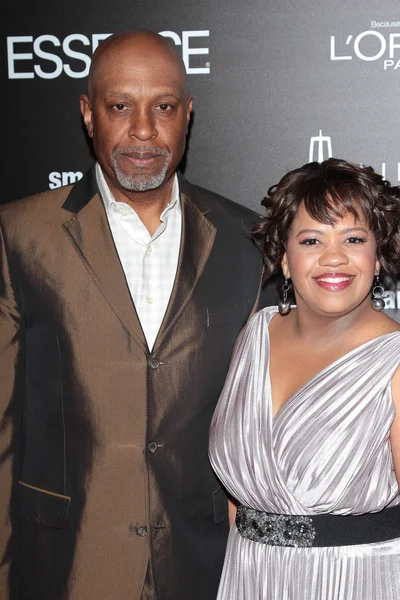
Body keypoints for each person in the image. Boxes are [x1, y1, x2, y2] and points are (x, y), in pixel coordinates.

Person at [0, 30, 277, 600]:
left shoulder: (248, 242)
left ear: (188, 114)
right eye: (120, 106)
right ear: (88, 113)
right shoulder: (21, 235)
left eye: (164, 107)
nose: (144, 129)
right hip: (66, 564)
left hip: (209, 567)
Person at [209, 158, 400, 600]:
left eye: (354, 238)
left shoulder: (393, 361)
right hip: (248, 578)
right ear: (285, 259)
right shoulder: (254, 336)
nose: (334, 257)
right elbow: (238, 497)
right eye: (312, 239)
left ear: (377, 257)